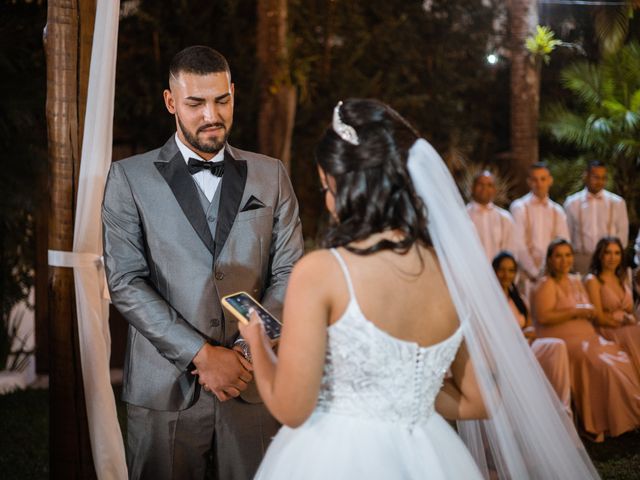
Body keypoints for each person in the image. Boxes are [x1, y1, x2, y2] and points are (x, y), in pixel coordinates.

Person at [238, 99, 598, 479]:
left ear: (349, 184)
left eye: (326, 186)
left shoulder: (322, 271)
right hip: (430, 455)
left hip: (336, 456)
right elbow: (479, 400)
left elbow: (292, 408)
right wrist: (405, 392)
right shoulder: (452, 275)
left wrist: (257, 342)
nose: (328, 201)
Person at [102, 46, 304, 480]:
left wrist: (246, 352)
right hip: (164, 390)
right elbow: (125, 281)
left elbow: (290, 272)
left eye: (221, 100)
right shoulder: (128, 178)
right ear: (171, 102)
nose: (211, 114)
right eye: (195, 103)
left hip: (252, 385)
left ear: (233, 93)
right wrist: (200, 355)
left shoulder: (271, 175)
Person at [532, 238, 640, 442]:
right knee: (603, 365)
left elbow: (592, 311)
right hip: (564, 341)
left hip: (589, 338)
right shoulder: (545, 284)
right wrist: (576, 311)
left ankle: (625, 416)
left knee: (621, 359)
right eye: (558, 256)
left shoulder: (575, 280)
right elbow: (544, 317)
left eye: (568, 255)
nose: (564, 261)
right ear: (550, 259)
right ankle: (596, 423)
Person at [491, 251, 572, 416]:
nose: (506, 275)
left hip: (526, 345)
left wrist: (528, 333)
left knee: (557, 346)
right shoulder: (488, 300)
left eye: (511, 270)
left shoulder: (519, 299)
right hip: (503, 351)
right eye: (501, 270)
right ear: (493, 271)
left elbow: (529, 326)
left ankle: (562, 408)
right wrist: (519, 336)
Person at [584, 237, 640, 372]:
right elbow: (599, 318)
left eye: (617, 253)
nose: (612, 257)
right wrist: (625, 324)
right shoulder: (593, 280)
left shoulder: (623, 278)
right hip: (606, 330)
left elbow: (631, 312)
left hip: (627, 327)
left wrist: (631, 320)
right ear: (599, 255)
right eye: (607, 253)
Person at [564, 161, 629, 274]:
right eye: (596, 177)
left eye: (603, 178)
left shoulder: (617, 202)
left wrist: (614, 257)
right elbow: (567, 234)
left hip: (609, 261)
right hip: (581, 260)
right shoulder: (572, 203)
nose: (600, 181)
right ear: (586, 176)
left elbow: (622, 234)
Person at [510, 163, 569, 283]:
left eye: (543, 179)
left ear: (550, 180)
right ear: (529, 182)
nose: (539, 184)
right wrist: (535, 273)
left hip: (553, 274)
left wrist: (552, 271)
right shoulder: (519, 207)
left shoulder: (557, 211)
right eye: (535, 180)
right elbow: (518, 244)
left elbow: (564, 242)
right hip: (526, 275)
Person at [466, 171, 517, 262]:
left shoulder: (505, 218)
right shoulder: (463, 216)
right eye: (480, 184)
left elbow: (511, 249)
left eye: (489, 185)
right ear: (472, 188)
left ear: (494, 189)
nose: (484, 188)